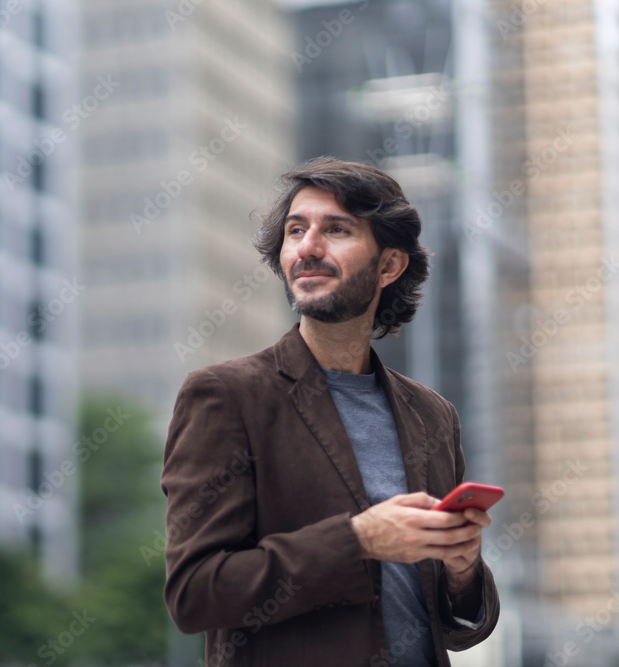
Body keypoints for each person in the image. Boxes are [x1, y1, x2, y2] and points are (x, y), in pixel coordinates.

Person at [161, 157, 499, 666]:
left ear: (389, 265)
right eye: (297, 230)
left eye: (336, 229)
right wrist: (357, 539)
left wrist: (462, 569)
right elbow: (195, 593)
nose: (307, 248)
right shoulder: (226, 396)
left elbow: (456, 626)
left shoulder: (433, 416)